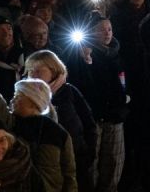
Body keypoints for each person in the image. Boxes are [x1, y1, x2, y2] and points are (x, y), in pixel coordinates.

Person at [0, 49, 77, 192]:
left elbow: (69, 174)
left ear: (33, 102)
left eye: (18, 96)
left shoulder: (56, 132)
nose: (12, 100)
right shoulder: (12, 124)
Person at [23, 50, 96, 192]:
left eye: (38, 70)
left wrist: (89, 152)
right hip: (46, 166)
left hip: (78, 159)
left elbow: (89, 123)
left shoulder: (69, 92)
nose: (33, 74)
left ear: (54, 70)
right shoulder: (25, 97)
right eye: (30, 70)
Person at [70, 16, 126, 192]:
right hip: (92, 117)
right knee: (91, 162)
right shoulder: (79, 53)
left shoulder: (115, 53)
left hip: (114, 115)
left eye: (109, 29)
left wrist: (123, 103)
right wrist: (85, 61)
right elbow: (81, 85)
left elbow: (122, 82)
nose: (107, 33)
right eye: (101, 29)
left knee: (113, 161)